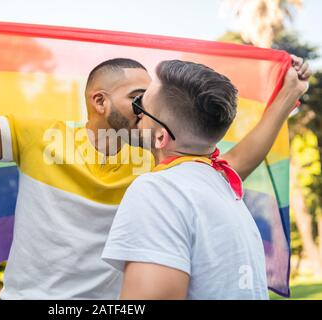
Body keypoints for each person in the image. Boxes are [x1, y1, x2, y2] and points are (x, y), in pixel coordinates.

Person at [0, 54, 309, 299]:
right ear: (99, 101)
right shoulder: (38, 137)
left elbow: (232, 167)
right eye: (139, 97)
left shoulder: (161, 160)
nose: (147, 108)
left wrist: (286, 97)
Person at [102, 59, 311, 300]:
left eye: (141, 106)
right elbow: (243, 158)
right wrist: (290, 92)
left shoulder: (158, 191)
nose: (135, 114)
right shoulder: (220, 184)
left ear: (161, 137)